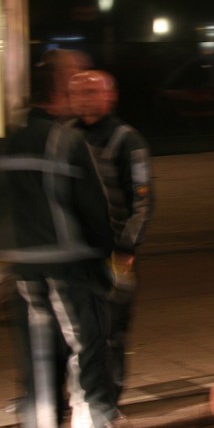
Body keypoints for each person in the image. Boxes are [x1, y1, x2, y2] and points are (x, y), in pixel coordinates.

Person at [0, 61, 117, 428]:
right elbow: (93, 208)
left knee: (38, 356)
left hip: (19, 266)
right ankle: (90, 421)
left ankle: (41, 420)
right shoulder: (64, 141)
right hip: (68, 264)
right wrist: (106, 261)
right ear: (57, 94)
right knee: (83, 350)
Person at [69, 70, 155, 404]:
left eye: (92, 92)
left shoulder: (126, 140)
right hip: (75, 252)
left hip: (113, 254)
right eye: (78, 92)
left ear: (110, 96)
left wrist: (126, 246)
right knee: (77, 330)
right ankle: (85, 396)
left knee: (113, 329)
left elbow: (142, 200)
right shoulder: (66, 136)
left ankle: (109, 398)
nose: (84, 99)